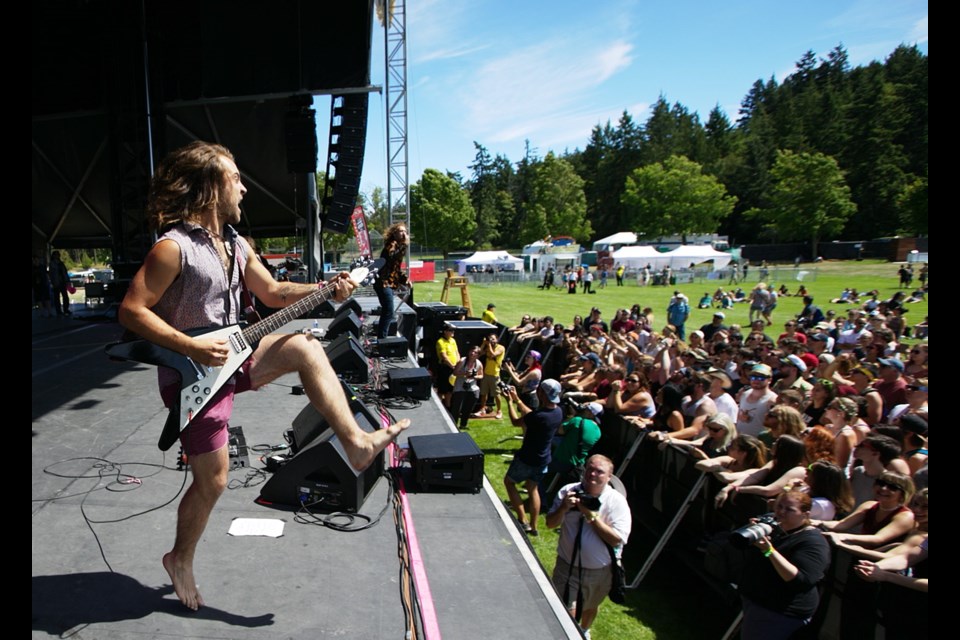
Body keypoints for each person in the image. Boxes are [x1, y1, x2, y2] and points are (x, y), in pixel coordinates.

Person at [117, 141, 409, 611]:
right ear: (212, 188)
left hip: (239, 356)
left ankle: (354, 441)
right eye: (236, 179)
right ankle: (180, 558)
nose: (245, 189)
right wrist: (191, 345)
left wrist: (325, 289)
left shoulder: (236, 243)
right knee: (213, 481)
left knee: (303, 345)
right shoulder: (173, 248)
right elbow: (132, 311)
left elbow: (272, 293)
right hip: (195, 374)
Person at [545, 454, 632, 638]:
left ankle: (584, 630)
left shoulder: (616, 502)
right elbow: (550, 524)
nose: (592, 474)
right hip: (566, 566)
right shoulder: (568, 491)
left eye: (599, 472)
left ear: (609, 477)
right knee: (565, 610)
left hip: (599, 570)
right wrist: (563, 508)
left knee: (590, 606)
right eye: (589, 469)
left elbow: (616, 539)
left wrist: (591, 515)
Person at [737, 490, 832, 640]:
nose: (781, 512)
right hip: (758, 599)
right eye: (779, 506)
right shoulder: (772, 524)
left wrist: (769, 551)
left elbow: (801, 580)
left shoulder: (813, 542)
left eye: (789, 509)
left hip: (780, 611)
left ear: (805, 514)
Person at [504, 379, 564, 537]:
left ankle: (523, 520)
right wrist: (517, 399)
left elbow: (516, 422)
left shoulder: (538, 416)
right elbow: (531, 414)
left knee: (509, 482)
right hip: (543, 460)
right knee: (533, 488)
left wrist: (510, 403)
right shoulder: (558, 413)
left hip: (527, 458)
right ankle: (534, 526)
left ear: (542, 394)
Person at [372, 222, 410, 339]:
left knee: (387, 311)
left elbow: (396, 269)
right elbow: (391, 256)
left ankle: (382, 338)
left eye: (405, 231)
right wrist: (404, 245)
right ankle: (382, 339)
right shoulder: (391, 245)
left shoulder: (399, 247)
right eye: (400, 231)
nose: (403, 233)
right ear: (394, 233)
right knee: (388, 311)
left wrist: (405, 280)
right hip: (383, 282)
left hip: (387, 282)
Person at [450, 346, 483, 430]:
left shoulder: (478, 363)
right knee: (456, 408)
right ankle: (453, 425)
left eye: (475, 352)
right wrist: (465, 374)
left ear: (478, 355)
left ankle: (463, 424)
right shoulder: (462, 361)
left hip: (472, 387)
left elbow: (481, 375)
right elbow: (455, 373)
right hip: (460, 387)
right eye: (472, 351)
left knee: (468, 408)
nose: (473, 353)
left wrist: (474, 376)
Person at [475, 332, 505, 419]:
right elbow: (479, 353)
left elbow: (493, 355)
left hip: (495, 375)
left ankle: (499, 411)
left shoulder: (501, 348)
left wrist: (488, 346)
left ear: (497, 339)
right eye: (490, 339)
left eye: (493, 339)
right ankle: (482, 409)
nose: (491, 340)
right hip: (486, 373)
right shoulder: (488, 347)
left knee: (496, 394)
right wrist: (483, 344)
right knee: (484, 393)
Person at [435, 322, 460, 407]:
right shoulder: (440, 342)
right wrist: (452, 366)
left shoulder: (453, 340)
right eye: (450, 330)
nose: (453, 332)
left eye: (453, 330)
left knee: (450, 390)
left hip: (453, 368)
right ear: (445, 331)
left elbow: (457, 353)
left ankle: (448, 406)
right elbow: (444, 357)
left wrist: (458, 364)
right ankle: (439, 407)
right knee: (442, 390)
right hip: (445, 368)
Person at [49, 250, 72, 316]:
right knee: (57, 297)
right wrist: (53, 282)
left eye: (58, 255)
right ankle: (58, 311)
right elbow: (51, 274)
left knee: (65, 296)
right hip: (56, 282)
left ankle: (65, 309)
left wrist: (67, 280)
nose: (57, 256)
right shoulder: (52, 264)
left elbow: (65, 272)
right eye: (55, 255)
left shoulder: (61, 263)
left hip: (62, 282)